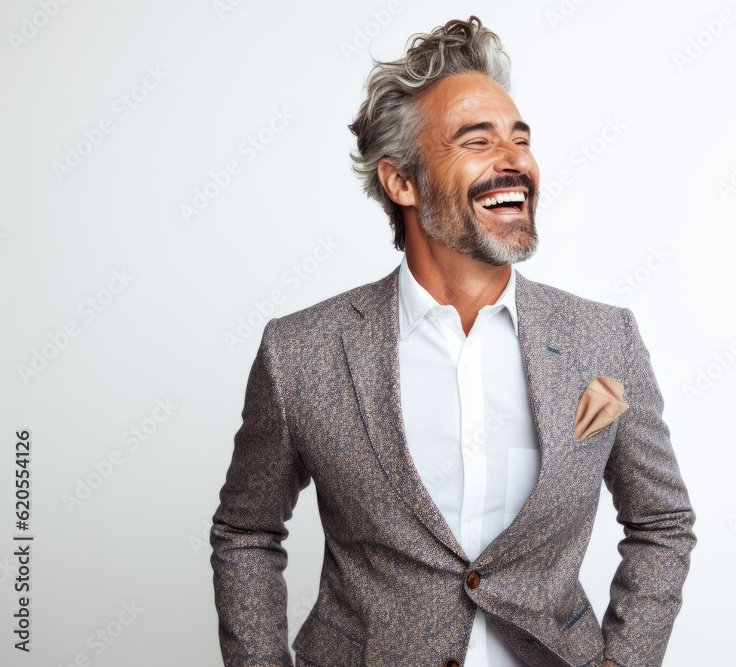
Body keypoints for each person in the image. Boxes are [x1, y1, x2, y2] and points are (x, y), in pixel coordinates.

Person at [210, 16, 695, 667]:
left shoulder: (606, 339)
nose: (514, 161)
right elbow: (246, 530)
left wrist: (624, 659)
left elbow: (662, 521)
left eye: (520, 140)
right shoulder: (301, 352)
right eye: (478, 140)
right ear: (401, 182)